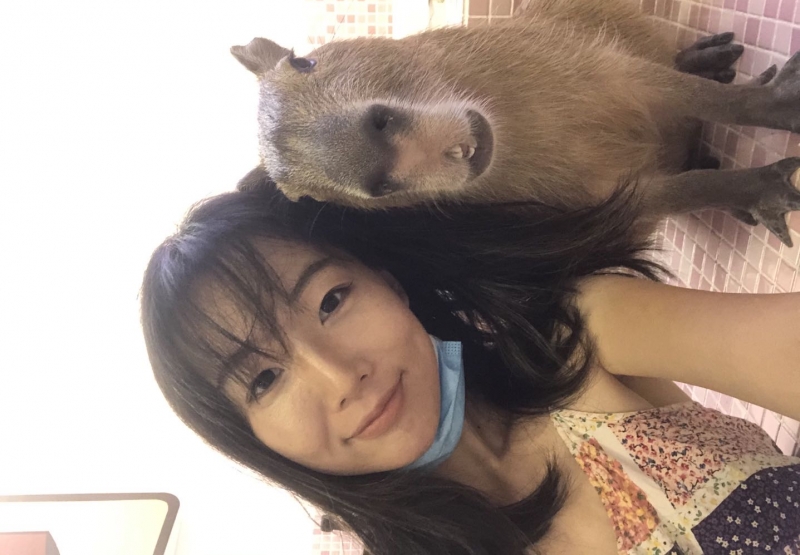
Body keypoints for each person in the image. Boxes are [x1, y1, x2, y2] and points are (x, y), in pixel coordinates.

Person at [141, 181, 800, 555]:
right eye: (263, 380)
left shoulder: (578, 337)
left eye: (331, 300)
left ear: (388, 283)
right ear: (253, 438)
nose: (340, 377)